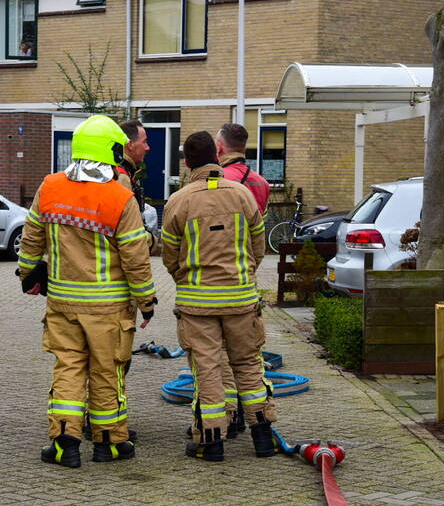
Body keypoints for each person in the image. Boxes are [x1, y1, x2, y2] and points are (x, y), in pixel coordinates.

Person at [19, 114, 156, 468]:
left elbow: (31, 236)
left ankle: (65, 444)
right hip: (108, 308)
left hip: (62, 303)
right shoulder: (120, 197)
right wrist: (147, 301)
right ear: (111, 149)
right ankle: (108, 444)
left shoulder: (49, 187)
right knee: (106, 372)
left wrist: (27, 273)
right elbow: (135, 257)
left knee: (68, 369)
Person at [162, 131, 279, 462]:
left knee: (208, 369)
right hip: (241, 300)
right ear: (217, 154)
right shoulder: (243, 195)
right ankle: (263, 437)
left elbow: (170, 256)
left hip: (197, 305)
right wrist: (243, 276)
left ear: (186, 163)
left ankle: (211, 442)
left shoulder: (178, 201)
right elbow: (258, 247)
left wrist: (186, 279)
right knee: (248, 365)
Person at [214, 122, 271, 437]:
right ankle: (259, 423)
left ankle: (229, 418)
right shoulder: (261, 184)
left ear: (220, 148)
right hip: (246, 278)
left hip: (216, 279)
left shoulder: (218, 181)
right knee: (249, 355)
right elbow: (258, 239)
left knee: (219, 354)